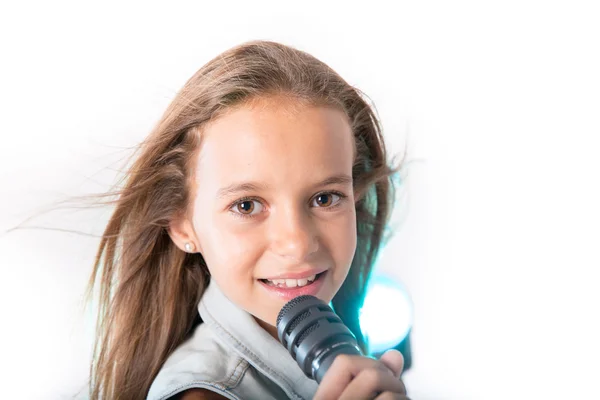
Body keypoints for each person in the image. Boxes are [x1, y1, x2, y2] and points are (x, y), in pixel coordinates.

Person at [85, 40, 408, 400]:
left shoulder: (343, 347)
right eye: (247, 206)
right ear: (181, 224)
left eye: (325, 198)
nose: (297, 243)